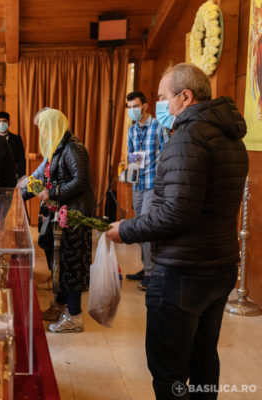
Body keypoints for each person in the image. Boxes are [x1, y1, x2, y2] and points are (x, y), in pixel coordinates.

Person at [106, 63, 248, 399]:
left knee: (168, 370)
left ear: (185, 96)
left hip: (184, 272)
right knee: (203, 358)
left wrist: (126, 229)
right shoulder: (229, 138)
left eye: (162, 97)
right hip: (219, 265)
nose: (159, 105)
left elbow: (176, 213)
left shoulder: (188, 137)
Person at [22, 108, 95, 332]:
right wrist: (19, 192)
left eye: (44, 129)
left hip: (74, 217)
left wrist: (52, 193)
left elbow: (80, 181)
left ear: (54, 126)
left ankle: (75, 317)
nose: (42, 133)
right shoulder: (55, 148)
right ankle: (61, 306)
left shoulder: (73, 148)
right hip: (59, 215)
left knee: (71, 266)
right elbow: (38, 176)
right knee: (59, 265)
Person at [125, 91, 170, 289]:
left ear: (145, 106)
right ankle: (146, 267)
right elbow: (133, 157)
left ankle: (152, 273)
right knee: (139, 228)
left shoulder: (159, 126)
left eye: (135, 106)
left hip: (153, 184)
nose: (132, 110)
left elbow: (167, 155)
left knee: (147, 226)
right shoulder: (132, 130)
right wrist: (130, 178)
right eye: (129, 107)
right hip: (138, 185)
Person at [0, 111, 26, 179]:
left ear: (9, 123)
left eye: (4, 121)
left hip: (11, 176)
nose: (1, 123)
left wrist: (21, 178)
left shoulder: (16, 139)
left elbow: (21, 161)